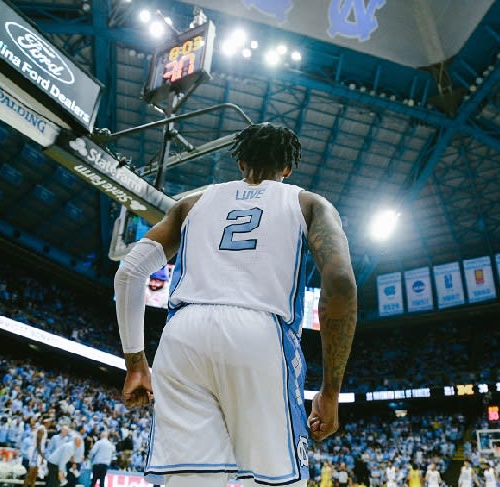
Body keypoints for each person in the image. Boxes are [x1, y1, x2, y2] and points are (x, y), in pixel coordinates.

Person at [115, 122, 357, 487]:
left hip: (182, 337)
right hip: (259, 335)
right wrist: (330, 392)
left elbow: (129, 273)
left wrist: (136, 363)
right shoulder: (308, 203)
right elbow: (340, 282)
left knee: (190, 482)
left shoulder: (191, 204)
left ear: (240, 161)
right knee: (272, 481)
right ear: (288, 169)